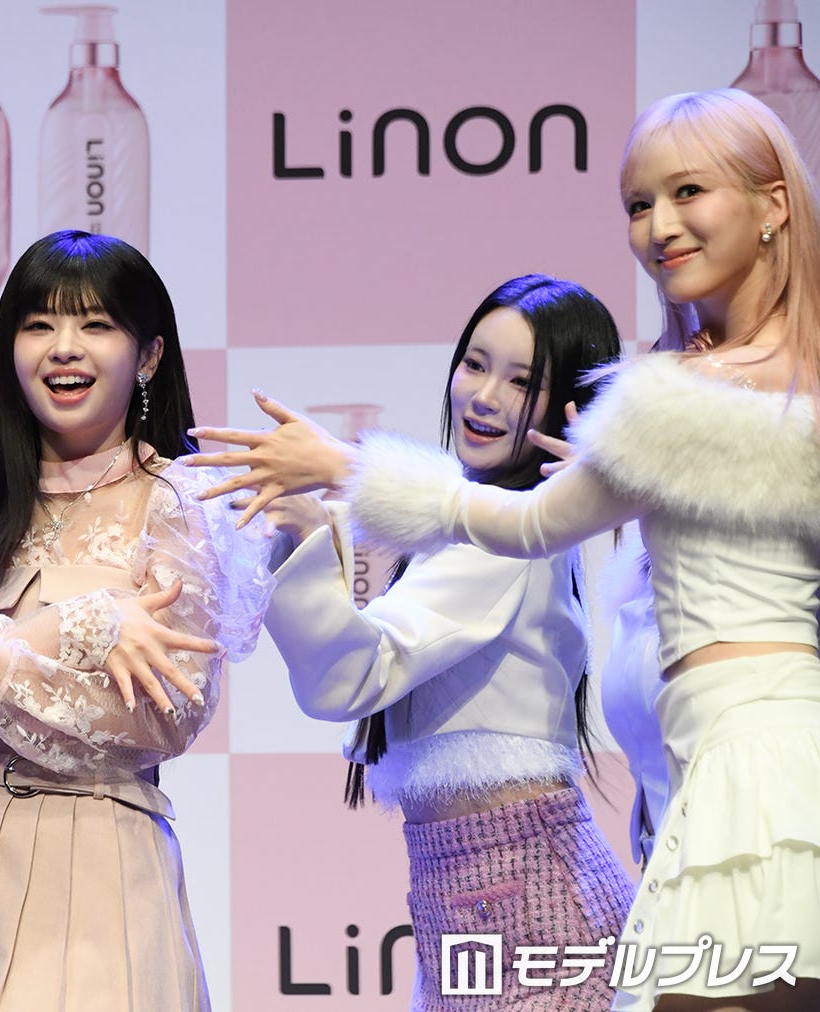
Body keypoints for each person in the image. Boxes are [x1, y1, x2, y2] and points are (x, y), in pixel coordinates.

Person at [189, 89, 820, 1010]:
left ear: (773, 205)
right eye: (639, 204)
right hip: (524, 892)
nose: (659, 226)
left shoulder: (648, 425)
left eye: (688, 192)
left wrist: (342, 476)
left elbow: (375, 657)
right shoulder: (706, 398)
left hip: (553, 897)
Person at [0, 230, 273, 1011]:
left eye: (95, 324)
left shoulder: (180, 504)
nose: (63, 347)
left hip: (102, 852)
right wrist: (76, 630)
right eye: (38, 325)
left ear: (148, 356)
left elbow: (161, 715)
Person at [203, 275, 634, 1009]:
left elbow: (354, 677)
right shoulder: (479, 526)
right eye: (475, 364)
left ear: (567, 403)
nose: (484, 396)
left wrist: (307, 533)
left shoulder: (506, 537)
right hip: (482, 893)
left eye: (521, 381)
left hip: (531, 900)